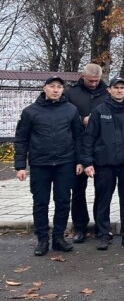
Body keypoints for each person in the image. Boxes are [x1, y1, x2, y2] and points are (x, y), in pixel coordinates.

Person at [15, 76, 83, 256]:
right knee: (40, 203)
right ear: (44, 88)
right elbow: (21, 139)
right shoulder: (30, 112)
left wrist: (80, 161)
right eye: (52, 86)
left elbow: (78, 137)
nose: (55, 90)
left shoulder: (71, 110)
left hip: (65, 163)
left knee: (62, 201)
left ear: (63, 90)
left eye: (59, 87)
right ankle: (42, 240)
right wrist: (20, 166)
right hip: (40, 164)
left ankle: (59, 238)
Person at [82, 77, 124, 250]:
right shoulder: (99, 111)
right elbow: (89, 138)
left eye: (122, 87)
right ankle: (103, 234)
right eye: (116, 87)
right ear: (109, 90)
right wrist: (87, 162)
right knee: (103, 200)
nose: (119, 90)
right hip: (104, 163)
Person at [64, 63, 107, 243]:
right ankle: (80, 227)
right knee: (78, 190)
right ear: (83, 77)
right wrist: (83, 119)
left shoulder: (107, 93)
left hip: (101, 147)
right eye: (91, 81)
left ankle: (100, 226)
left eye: (97, 81)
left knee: (102, 190)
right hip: (78, 146)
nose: (94, 84)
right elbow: (64, 116)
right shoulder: (71, 93)